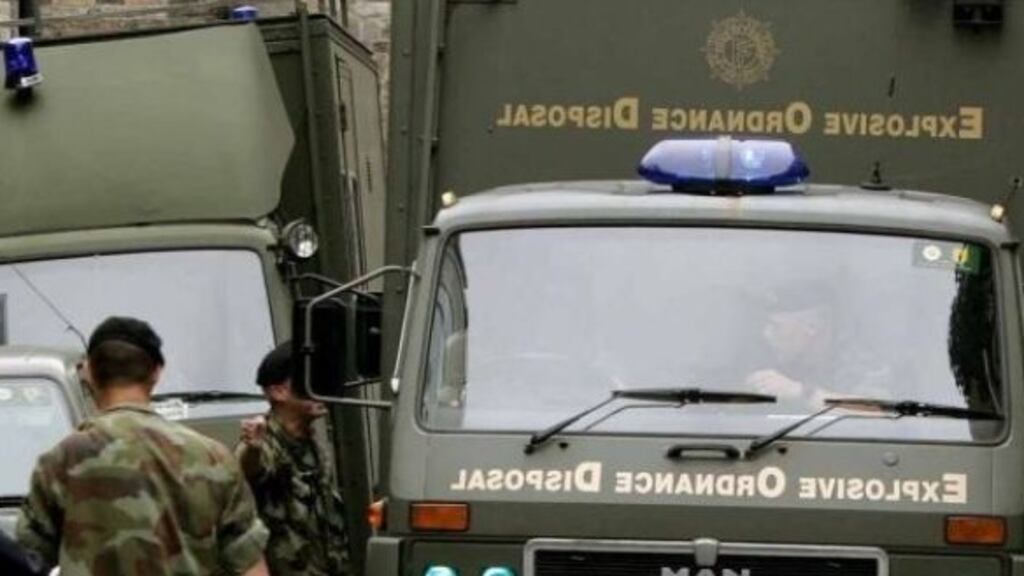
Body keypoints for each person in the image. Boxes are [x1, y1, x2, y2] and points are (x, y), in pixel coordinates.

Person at [17, 316, 269, 576]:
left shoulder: (59, 462)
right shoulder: (213, 457)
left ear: (87, 372)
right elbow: (250, 566)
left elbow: (26, 559)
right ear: (157, 371)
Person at [236, 342, 348, 576]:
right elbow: (249, 470)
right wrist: (252, 448)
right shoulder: (266, 441)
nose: (319, 389)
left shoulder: (313, 443)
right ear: (278, 392)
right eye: (309, 380)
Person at [746, 284, 892, 409]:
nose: (766, 334)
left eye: (776, 327)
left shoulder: (859, 362)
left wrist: (801, 393)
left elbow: (879, 410)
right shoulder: (767, 356)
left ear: (812, 327)